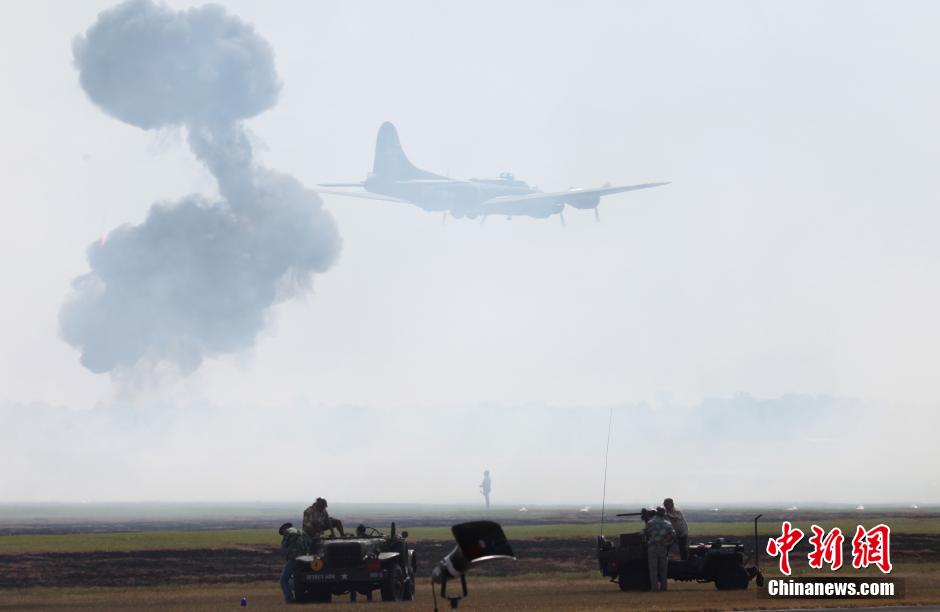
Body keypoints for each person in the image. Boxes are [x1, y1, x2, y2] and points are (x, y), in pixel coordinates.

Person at [643, 506, 676, 592]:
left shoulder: (650, 523)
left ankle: (654, 588)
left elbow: (643, 532)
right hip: (663, 547)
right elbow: (673, 534)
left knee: (653, 570)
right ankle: (663, 588)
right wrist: (667, 543)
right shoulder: (667, 524)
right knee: (663, 570)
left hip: (652, 548)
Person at [278, 522, 311, 603]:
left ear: (284, 529)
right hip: (305, 559)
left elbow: (284, 545)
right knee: (298, 579)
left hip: (294, 558)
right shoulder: (302, 532)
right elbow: (309, 544)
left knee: (283, 579)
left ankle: (289, 598)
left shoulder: (288, 531)